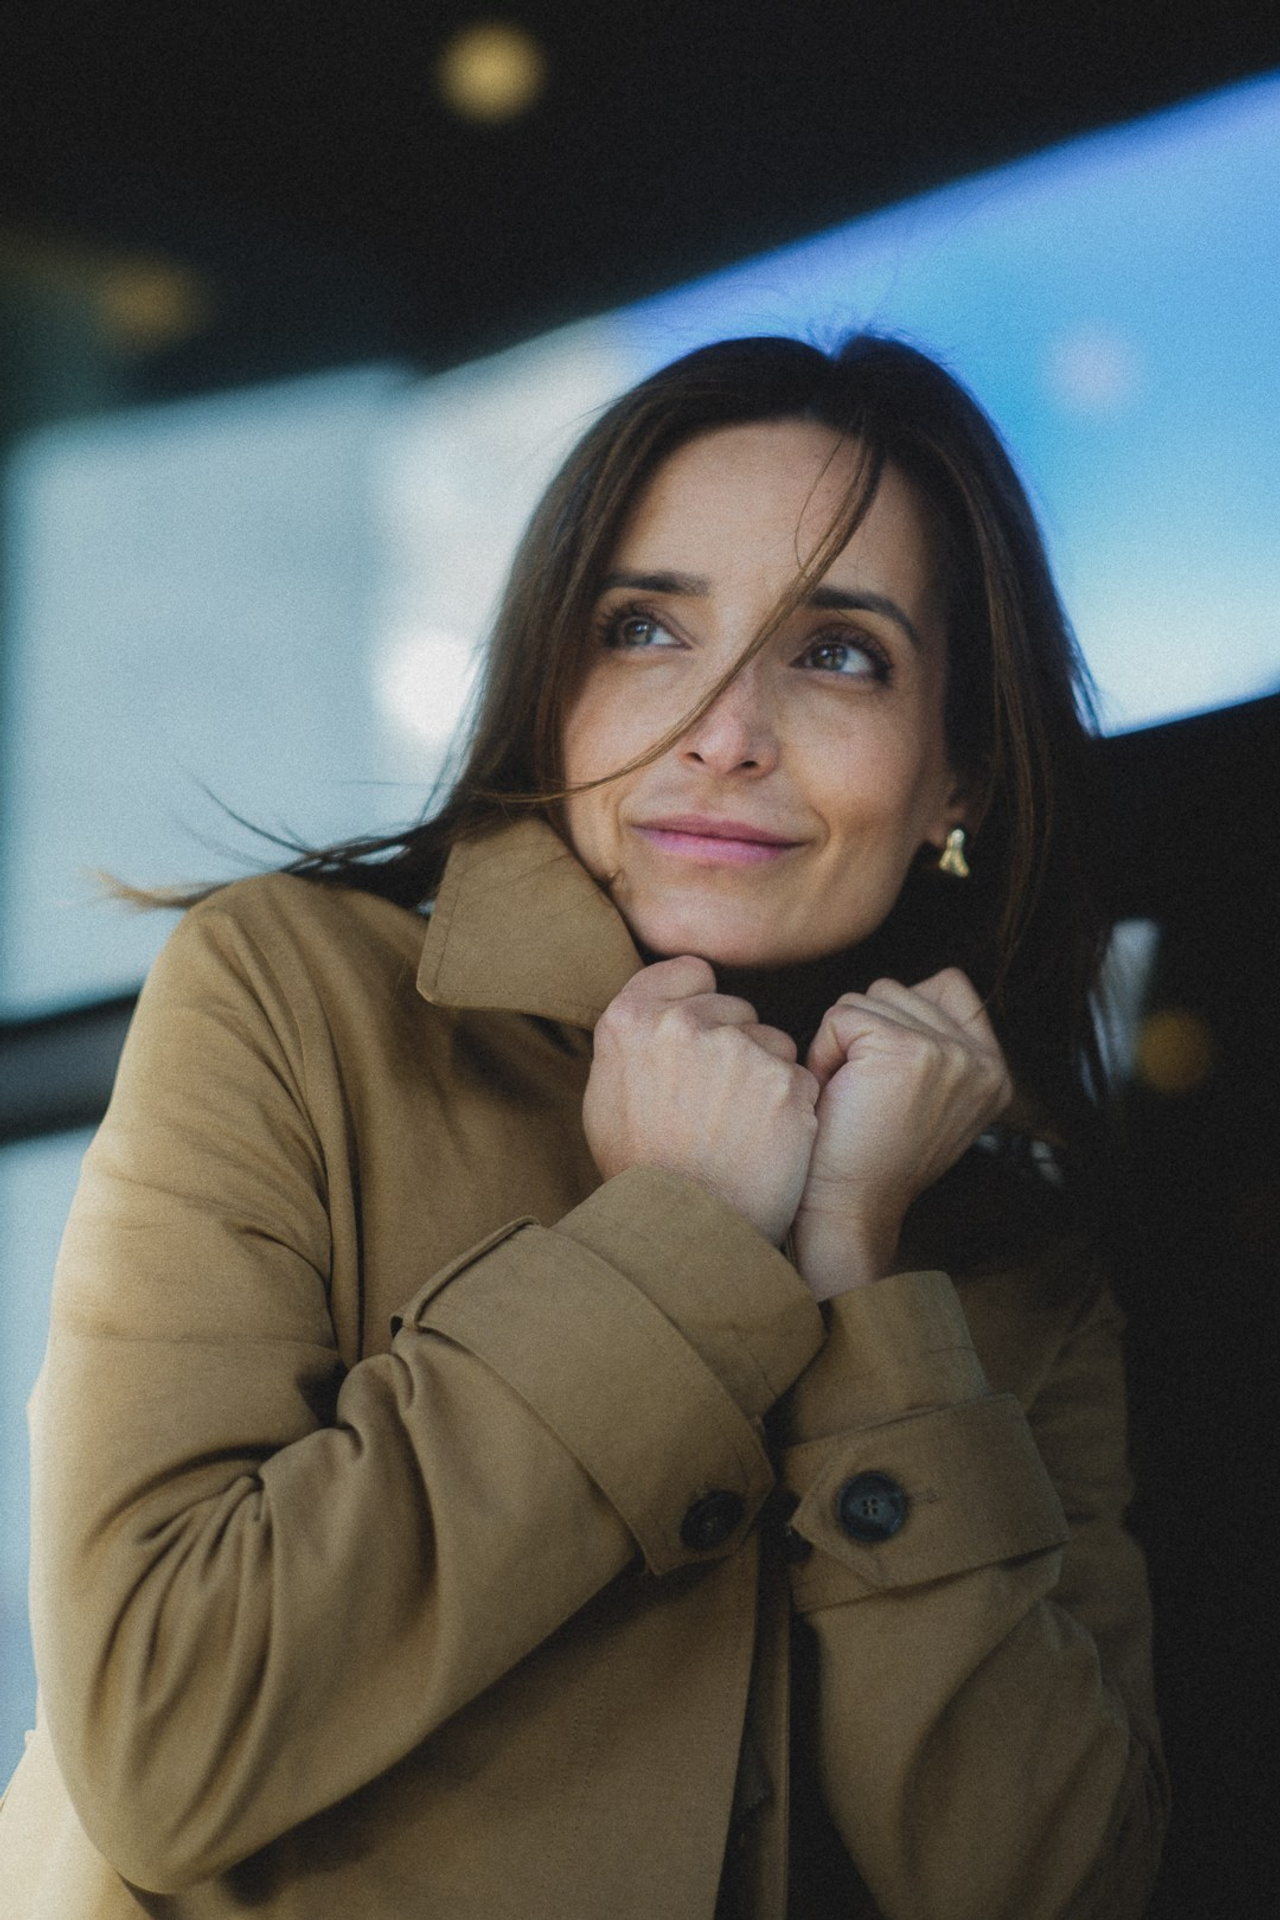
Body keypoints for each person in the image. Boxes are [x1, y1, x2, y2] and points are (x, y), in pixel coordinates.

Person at [0, 334, 1167, 1918]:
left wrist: (857, 1274)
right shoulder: (292, 992)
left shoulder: (1014, 1248)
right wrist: (672, 1246)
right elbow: (161, 1730)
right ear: (552, 693)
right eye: (644, 630)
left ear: (958, 771)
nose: (724, 729)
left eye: (837, 654)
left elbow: (1060, 1886)